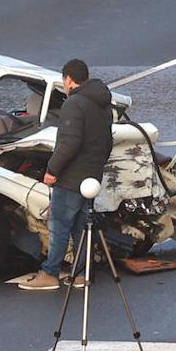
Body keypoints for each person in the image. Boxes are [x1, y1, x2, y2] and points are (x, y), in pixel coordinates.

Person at [19, 59, 113, 291]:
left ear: (69, 79)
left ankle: (49, 273)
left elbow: (69, 143)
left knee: (59, 225)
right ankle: (81, 274)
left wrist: (52, 170)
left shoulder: (74, 104)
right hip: (91, 177)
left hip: (71, 177)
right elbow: (107, 142)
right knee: (81, 227)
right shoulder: (103, 104)